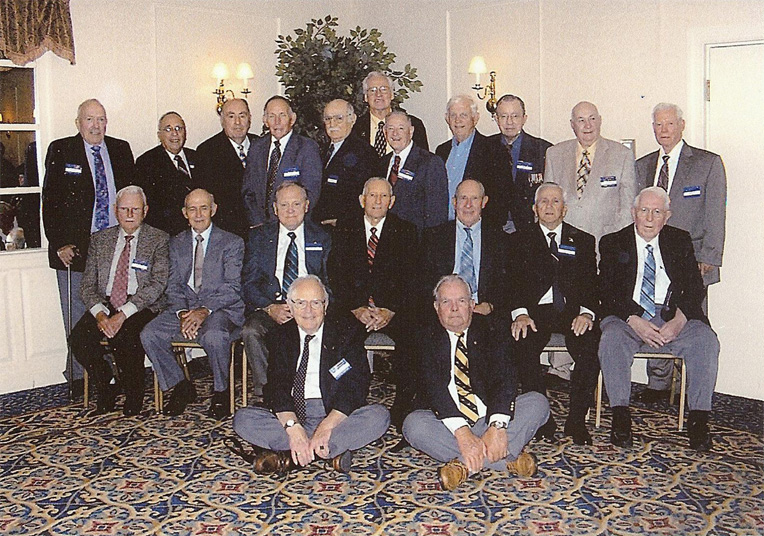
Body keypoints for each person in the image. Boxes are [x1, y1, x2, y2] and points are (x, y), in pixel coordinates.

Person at [598, 187, 719, 451]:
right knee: (611, 339)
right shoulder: (612, 242)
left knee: (706, 341)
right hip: (627, 316)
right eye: (644, 211)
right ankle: (620, 415)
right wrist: (634, 319)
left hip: (671, 313)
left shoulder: (680, 240)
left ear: (667, 216)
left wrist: (679, 320)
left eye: (657, 212)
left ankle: (699, 419)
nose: (650, 218)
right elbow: (607, 291)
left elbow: (694, 286)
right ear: (633, 213)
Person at [402, 275, 549, 491]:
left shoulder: (493, 329)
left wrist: (497, 426)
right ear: (436, 307)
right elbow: (433, 389)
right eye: (446, 302)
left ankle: (463, 467)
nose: (454, 308)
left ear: (472, 305)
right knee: (413, 426)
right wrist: (462, 433)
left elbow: (505, 378)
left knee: (538, 403)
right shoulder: (423, 335)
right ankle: (508, 461)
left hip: (486, 418)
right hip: (447, 423)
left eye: (461, 301)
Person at [233, 275, 390, 474]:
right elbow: (276, 387)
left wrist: (326, 426)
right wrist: (292, 427)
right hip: (294, 411)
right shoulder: (279, 336)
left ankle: (292, 456)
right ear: (290, 305)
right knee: (243, 419)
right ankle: (329, 451)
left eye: (316, 303)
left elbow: (355, 386)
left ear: (325, 305)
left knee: (379, 416)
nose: (308, 311)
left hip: (334, 415)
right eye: (300, 303)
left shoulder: (348, 333)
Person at [634, 103, 727, 405]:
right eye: (658, 125)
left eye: (669, 124)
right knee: (655, 310)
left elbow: (715, 213)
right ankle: (658, 382)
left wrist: (710, 258)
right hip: (654, 255)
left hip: (694, 260)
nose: (664, 131)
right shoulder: (643, 165)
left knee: (691, 321)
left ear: (682, 125)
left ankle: (692, 389)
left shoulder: (706, 163)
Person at [42, 98, 135, 384]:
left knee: (115, 310)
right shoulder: (61, 149)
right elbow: (50, 201)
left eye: (102, 119)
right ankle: (80, 377)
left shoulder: (120, 149)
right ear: (78, 122)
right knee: (78, 317)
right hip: (74, 249)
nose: (97, 126)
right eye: (90, 119)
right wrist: (59, 243)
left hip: (114, 247)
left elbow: (131, 196)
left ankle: (114, 374)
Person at [507, 182, 600, 445]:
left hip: (572, 313)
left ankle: (576, 420)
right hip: (535, 313)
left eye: (555, 201)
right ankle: (542, 417)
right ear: (534, 208)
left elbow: (592, 284)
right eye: (543, 202)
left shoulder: (582, 240)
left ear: (565, 208)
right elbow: (511, 283)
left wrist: (587, 313)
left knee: (591, 345)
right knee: (522, 343)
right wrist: (520, 314)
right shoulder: (518, 240)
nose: (549, 206)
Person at [141, 189, 245, 419]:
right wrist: (182, 313)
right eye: (192, 209)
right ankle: (180, 385)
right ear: (184, 213)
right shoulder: (175, 243)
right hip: (185, 308)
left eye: (204, 208)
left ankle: (221, 392)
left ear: (214, 210)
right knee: (150, 334)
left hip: (219, 308)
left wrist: (203, 311)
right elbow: (173, 285)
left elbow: (232, 287)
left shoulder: (232, 242)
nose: (198, 214)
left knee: (214, 336)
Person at [69, 186, 168, 416]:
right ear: (115, 211)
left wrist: (123, 314)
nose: (130, 214)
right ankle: (107, 384)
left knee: (125, 335)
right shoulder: (100, 240)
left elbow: (158, 284)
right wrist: (101, 315)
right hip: (106, 302)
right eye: (125, 209)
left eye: (135, 209)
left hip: (140, 303)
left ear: (145, 211)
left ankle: (134, 394)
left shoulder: (158, 239)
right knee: (79, 339)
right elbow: (87, 285)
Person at [328, 177, 418, 428]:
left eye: (384, 197)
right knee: (340, 337)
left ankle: (403, 405)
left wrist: (390, 310)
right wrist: (356, 307)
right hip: (354, 308)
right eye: (372, 196)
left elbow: (411, 278)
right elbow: (335, 273)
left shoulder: (406, 230)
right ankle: (345, 403)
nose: (378, 201)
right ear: (362, 200)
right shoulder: (345, 228)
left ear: (392, 202)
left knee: (414, 336)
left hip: (391, 310)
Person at [241, 182, 331, 401]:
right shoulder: (259, 237)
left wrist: (311, 306)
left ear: (307, 206)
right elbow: (248, 282)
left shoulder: (324, 236)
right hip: (273, 305)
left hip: (312, 308)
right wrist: (270, 307)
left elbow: (331, 282)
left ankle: (314, 392)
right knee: (250, 331)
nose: (290, 210)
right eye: (284, 204)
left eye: (296, 204)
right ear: (275, 208)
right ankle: (269, 394)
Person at [544, 101, 637, 247]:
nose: (588, 125)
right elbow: (547, 204)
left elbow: (628, 207)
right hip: (565, 243)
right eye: (581, 120)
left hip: (605, 241)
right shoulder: (554, 154)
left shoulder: (622, 155)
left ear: (600, 121)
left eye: (592, 119)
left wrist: (616, 241)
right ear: (572, 124)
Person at [422, 179, 509, 320]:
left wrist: (490, 305)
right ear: (454, 202)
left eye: (474, 198)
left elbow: (506, 284)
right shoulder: (433, 237)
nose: (468, 205)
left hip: (485, 313)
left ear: (484, 202)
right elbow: (424, 284)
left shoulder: (501, 240)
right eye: (463, 198)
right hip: (444, 314)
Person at [243, 96, 322, 228]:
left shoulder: (307, 148)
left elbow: (311, 193)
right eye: (272, 116)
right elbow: (248, 191)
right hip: (260, 228)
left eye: (282, 115)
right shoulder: (256, 147)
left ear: (292, 119)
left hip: (293, 225)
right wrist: (258, 222)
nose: (277, 122)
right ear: (265, 120)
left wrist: (288, 222)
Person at [487, 94, 553, 232]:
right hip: (493, 228)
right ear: (496, 119)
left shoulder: (543, 150)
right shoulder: (484, 148)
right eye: (503, 116)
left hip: (529, 229)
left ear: (524, 118)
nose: (509, 122)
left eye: (515, 116)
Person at [195, 98, 257, 238]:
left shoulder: (261, 145)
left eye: (242, 115)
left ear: (250, 119)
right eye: (231, 116)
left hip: (261, 231)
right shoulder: (207, 151)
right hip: (227, 233)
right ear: (222, 120)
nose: (237, 122)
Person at [378, 111, 448, 232]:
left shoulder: (430, 162)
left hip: (417, 242)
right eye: (390, 128)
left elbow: (437, 214)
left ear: (411, 131)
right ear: (385, 132)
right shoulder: (381, 164)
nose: (395, 133)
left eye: (401, 128)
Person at [313, 99, 378, 227]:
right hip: (319, 227)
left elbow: (367, 197)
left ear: (352, 119)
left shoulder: (365, 152)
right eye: (328, 119)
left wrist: (343, 222)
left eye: (339, 118)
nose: (332, 124)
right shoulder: (322, 150)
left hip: (345, 228)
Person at [135, 112, 197, 236]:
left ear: (185, 133)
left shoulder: (197, 157)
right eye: (168, 129)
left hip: (198, 231)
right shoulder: (147, 162)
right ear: (160, 135)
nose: (175, 133)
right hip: (166, 235)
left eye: (179, 128)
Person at [435, 95, 493, 221]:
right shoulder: (441, 151)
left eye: (463, 115)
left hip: (477, 229)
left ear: (475, 118)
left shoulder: (492, 150)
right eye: (453, 115)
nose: (457, 120)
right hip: (444, 228)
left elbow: (499, 198)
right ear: (447, 119)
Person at [352, 71, 429, 156]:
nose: (378, 94)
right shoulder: (355, 128)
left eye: (383, 89)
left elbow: (424, 161)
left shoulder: (413, 124)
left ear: (392, 95)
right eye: (372, 90)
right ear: (366, 97)